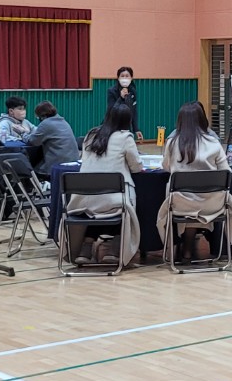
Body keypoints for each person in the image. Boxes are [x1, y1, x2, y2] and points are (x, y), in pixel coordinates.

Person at [158, 102, 232, 262]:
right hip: (212, 203)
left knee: (184, 201)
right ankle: (223, 247)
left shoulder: (172, 143)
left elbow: (166, 167)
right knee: (210, 201)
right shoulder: (213, 143)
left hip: (181, 203)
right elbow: (226, 173)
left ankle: (182, 248)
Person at [69, 103, 143, 266]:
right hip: (113, 198)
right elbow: (136, 167)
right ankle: (114, 249)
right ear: (127, 121)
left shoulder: (91, 134)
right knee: (121, 205)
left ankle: (85, 248)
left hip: (83, 198)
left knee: (97, 208)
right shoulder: (125, 137)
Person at [23, 102, 79, 175]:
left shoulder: (46, 123)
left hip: (57, 164)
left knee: (31, 169)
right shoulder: (63, 121)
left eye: (38, 117)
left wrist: (23, 133)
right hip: (73, 162)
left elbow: (33, 141)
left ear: (42, 116)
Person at [107, 66, 140, 137]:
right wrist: (121, 98)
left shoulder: (133, 91)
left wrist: (136, 129)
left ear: (131, 78)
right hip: (113, 126)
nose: (125, 78)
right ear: (118, 78)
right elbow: (111, 110)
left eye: (127, 76)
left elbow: (134, 111)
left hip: (127, 126)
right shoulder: (112, 91)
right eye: (122, 76)